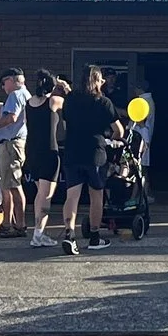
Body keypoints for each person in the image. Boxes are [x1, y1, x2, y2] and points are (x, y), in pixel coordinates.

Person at [53, 67, 118, 253]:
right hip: (95, 152)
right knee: (96, 195)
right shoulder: (104, 102)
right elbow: (118, 130)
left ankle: (69, 234)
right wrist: (110, 138)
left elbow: (65, 125)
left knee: (71, 195)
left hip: (73, 150)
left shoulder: (70, 101)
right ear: (97, 81)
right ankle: (95, 237)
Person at [23, 72, 65, 248]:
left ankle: (40, 231)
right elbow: (71, 104)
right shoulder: (53, 101)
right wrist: (65, 87)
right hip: (48, 151)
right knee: (45, 195)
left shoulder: (29, 103)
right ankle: (38, 233)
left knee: (41, 192)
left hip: (32, 150)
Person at [0, 70, 30, 235]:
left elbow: (11, 118)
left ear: (11, 80)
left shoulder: (15, 95)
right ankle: (7, 223)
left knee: (13, 185)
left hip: (11, 145)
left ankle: (19, 225)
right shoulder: (26, 95)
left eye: (4, 82)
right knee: (8, 185)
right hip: (14, 144)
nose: (3, 87)